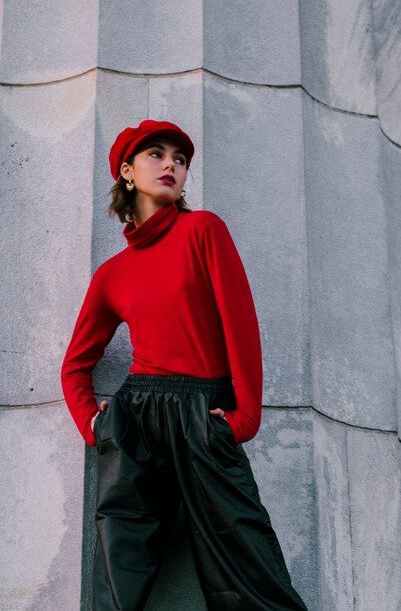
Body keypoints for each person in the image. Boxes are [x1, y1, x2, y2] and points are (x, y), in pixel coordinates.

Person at [61, 119, 308, 611]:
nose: (171, 164)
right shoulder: (112, 274)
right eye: (157, 154)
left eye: (180, 158)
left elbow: (241, 325)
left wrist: (244, 417)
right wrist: (96, 425)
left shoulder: (203, 230)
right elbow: (75, 364)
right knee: (118, 578)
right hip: (138, 419)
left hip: (203, 413)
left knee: (249, 569)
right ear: (127, 172)